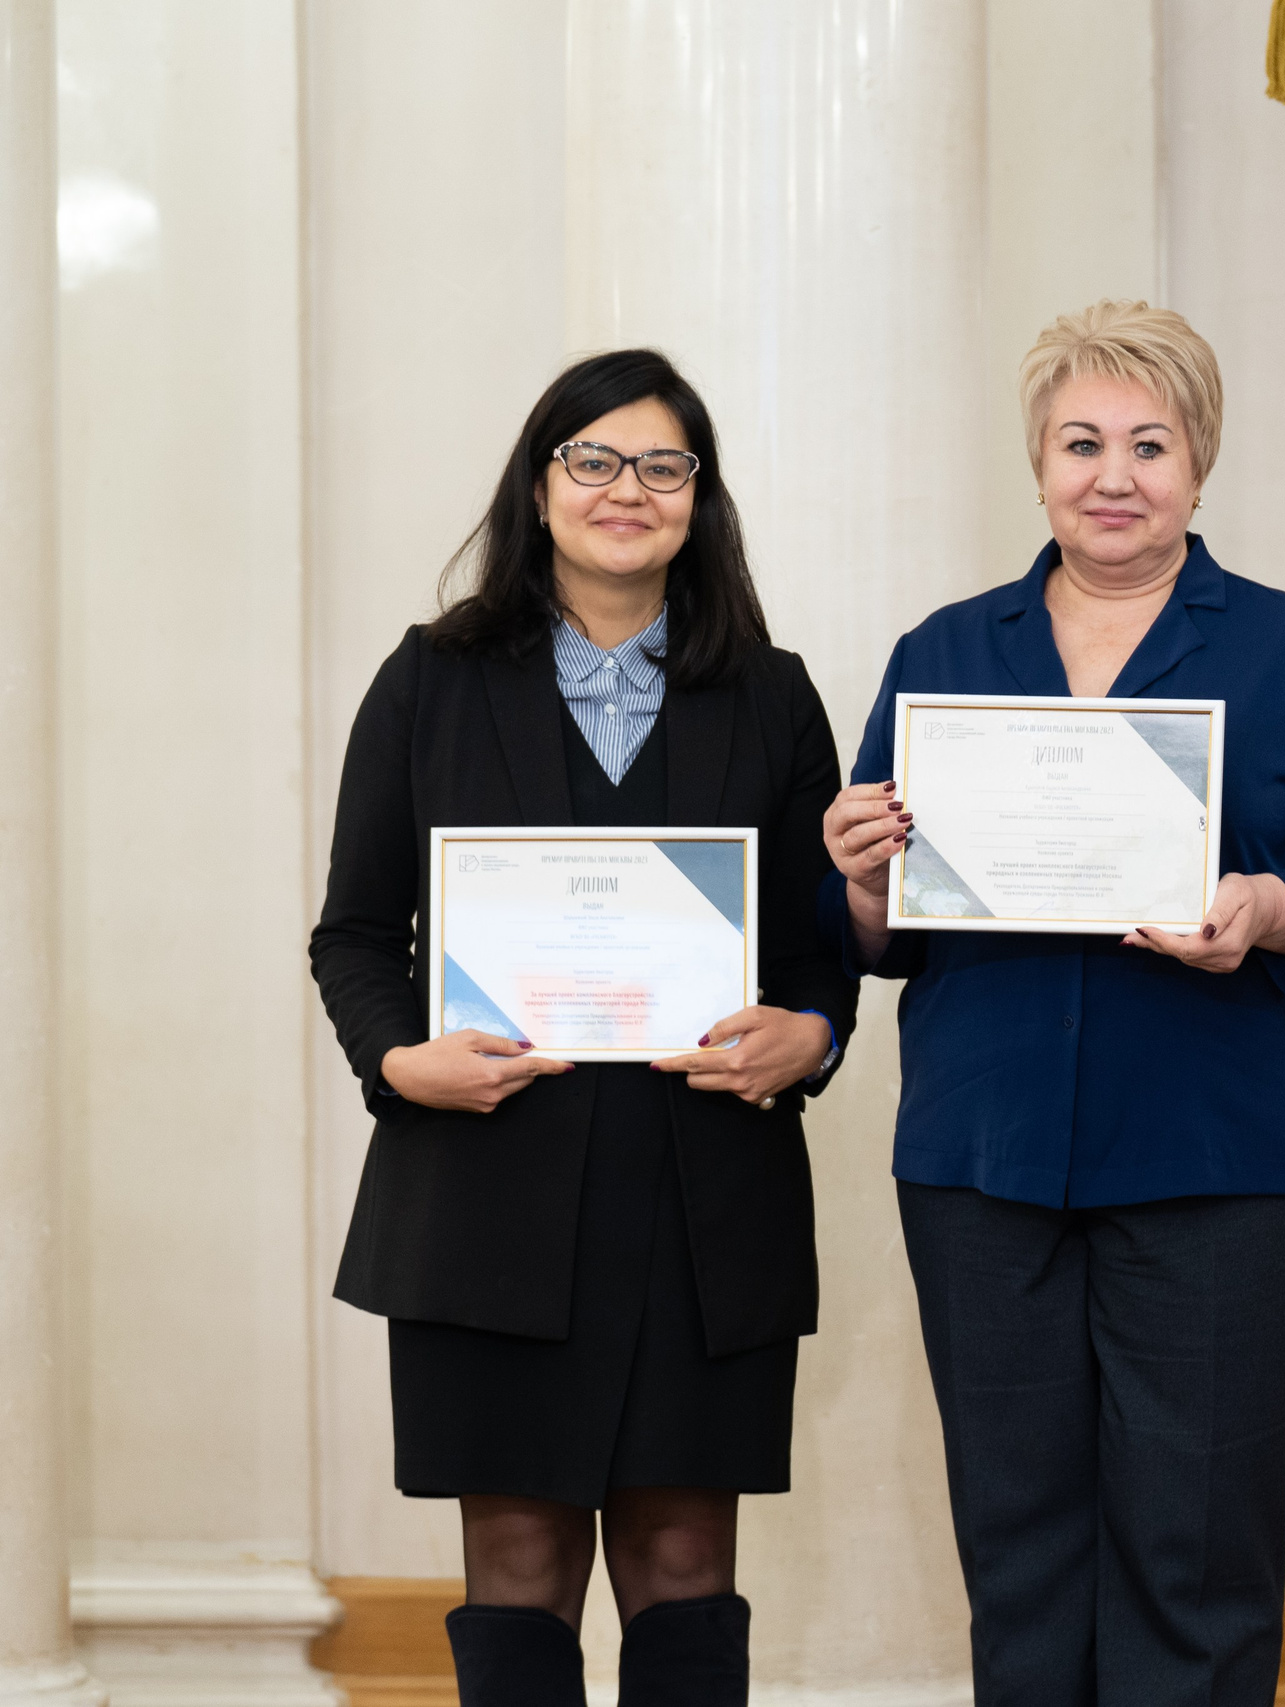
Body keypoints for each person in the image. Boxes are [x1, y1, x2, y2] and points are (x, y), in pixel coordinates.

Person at [817, 300, 1285, 1706]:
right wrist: (859, 878)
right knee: (1019, 1552)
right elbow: (876, 931)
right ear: (1038, 465)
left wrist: (1269, 909)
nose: (1115, 474)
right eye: (1082, 441)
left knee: (1197, 1558)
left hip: (1231, 1171)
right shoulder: (947, 653)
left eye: (1150, 444)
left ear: (1200, 464)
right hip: (987, 1169)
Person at [310, 349, 855, 1706]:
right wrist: (396, 1059)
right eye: (594, 460)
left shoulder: (772, 694)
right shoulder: (430, 680)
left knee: (683, 1554)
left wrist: (813, 1034)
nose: (629, 489)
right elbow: (358, 935)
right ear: (539, 485)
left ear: (700, 498)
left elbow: (814, 949)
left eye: (664, 465)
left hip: (701, 1201)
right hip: (484, 1195)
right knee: (515, 1551)